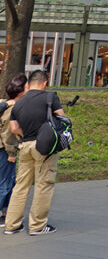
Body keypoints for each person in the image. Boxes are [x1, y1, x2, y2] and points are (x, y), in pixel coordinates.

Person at [4, 70, 67, 236]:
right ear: (45, 83)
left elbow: (13, 128)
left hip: (25, 146)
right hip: (44, 147)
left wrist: (27, 135)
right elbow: (63, 119)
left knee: (21, 186)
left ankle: (12, 225)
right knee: (43, 184)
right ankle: (37, 225)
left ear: (29, 84)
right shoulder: (50, 98)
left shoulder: (19, 102)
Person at [0, 73, 27, 225]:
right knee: (5, 182)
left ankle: (6, 213)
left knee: (6, 182)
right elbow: (8, 133)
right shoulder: (12, 108)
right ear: (21, 91)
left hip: (4, 148)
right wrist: (12, 153)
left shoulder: (5, 104)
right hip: (5, 149)